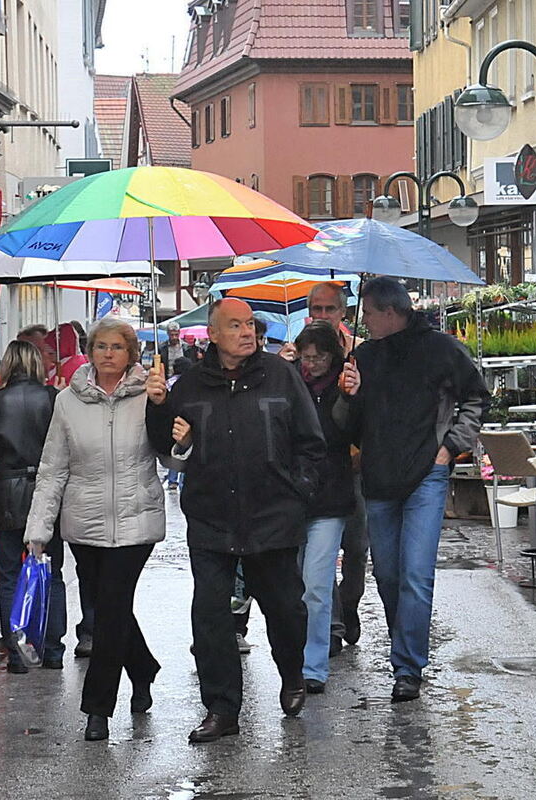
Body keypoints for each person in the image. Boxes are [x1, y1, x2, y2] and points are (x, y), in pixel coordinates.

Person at [146, 298, 326, 744]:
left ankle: (291, 673)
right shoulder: (189, 385)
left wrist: (298, 491)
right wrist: (156, 406)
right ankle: (222, 709)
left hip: (273, 516)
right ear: (212, 334)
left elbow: (311, 441)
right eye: (235, 325)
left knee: (286, 608)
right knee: (210, 617)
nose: (247, 332)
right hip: (211, 519)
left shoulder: (281, 375)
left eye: (250, 324)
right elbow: (162, 448)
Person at [335, 277, 490, 702]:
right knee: (387, 576)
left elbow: (476, 397)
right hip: (379, 479)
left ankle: (407, 668)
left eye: (366, 313)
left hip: (426, 476)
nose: (363, 322)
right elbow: (348, 426)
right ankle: (405, 651)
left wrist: (450, 448)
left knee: (416, 576)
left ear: (389, 312)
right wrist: (348, 395)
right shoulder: (364, 356)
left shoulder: (440, 349)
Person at [24, 317, 172, 742]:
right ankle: (143, 668)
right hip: (83, 526)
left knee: (107, 612)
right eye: (101, 346)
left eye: (117, 347)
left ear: (132, 354)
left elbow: (174, 459)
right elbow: (53, 469)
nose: (108, 353)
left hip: (135, 522)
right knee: (112, 609)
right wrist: (39, 528)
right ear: (89, 352)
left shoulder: (151, 393)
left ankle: (96, 710)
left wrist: (167, 415)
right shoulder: (68, 401)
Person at [0, 341, 67, 674]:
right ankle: (53, 650)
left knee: (10, 575)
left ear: (7, 365)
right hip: (46, 490)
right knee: (51, 573)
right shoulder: (53, 398)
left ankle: (17, 652)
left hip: (6, 492)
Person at [294, 322, 356, 694]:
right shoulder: (288, 382)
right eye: (306, 356)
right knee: (292, 585)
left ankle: (312, 666)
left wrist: (349, 396)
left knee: (316, 583)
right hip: (290, 497)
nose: (311, 363)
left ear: (332, 355)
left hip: (330, 497)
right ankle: (294, 658)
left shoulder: (345, 387)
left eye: (318, 357)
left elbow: (348, 432)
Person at [164, 356, 194, 491]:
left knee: (175, 454)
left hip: (171, 421)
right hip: (184, 424)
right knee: (184, 454)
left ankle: (172, 479)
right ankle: (181, 483)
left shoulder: (168, 383)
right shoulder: (187, 384)